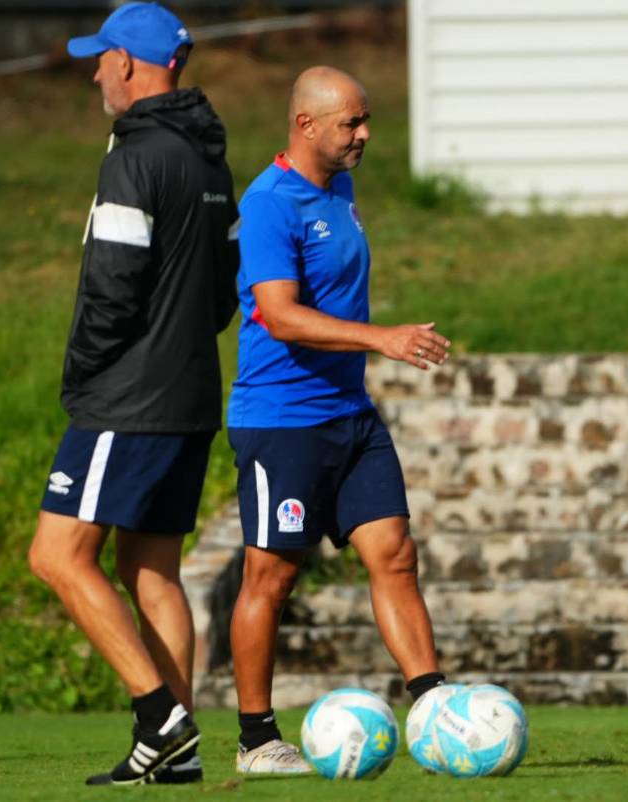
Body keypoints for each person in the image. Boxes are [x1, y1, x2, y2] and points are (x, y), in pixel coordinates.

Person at [27, 1, 239, 786]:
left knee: (56, 556)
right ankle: (172, 759)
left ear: (129, 64)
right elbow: (224, 293)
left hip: (128, 399)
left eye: (101, 58)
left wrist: (84, 371)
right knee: (152, 571)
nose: (93, 72)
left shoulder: (134, 157)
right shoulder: (210, 159)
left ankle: (162, 716)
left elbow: (111, 290)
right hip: (189, 396)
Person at [226, 65, 450, 774]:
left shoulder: (341, 189)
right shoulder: (268, 204)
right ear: (306, 126)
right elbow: (280, 314)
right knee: (272, 576)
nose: (365, 134)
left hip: (350, 415)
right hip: (283, 420)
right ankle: (257, 739)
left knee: (395, 555)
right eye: (351, 123)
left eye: (365, 119)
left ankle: (436, 710)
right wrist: (382, 338)